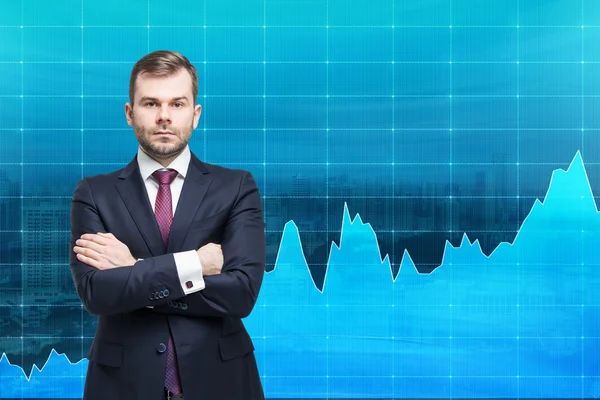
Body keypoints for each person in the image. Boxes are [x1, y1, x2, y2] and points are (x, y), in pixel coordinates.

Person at [69, 50, 266, 400]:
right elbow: (98, 293)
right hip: (121, 386)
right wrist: (195, 265)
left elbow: (240, 294)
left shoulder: (236, 187)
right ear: (130, 114)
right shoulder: (94, 194)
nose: (164, 116)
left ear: (196, 114)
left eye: (177, 104)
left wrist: (134, 270)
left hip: (222, 381)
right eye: (150, 104)